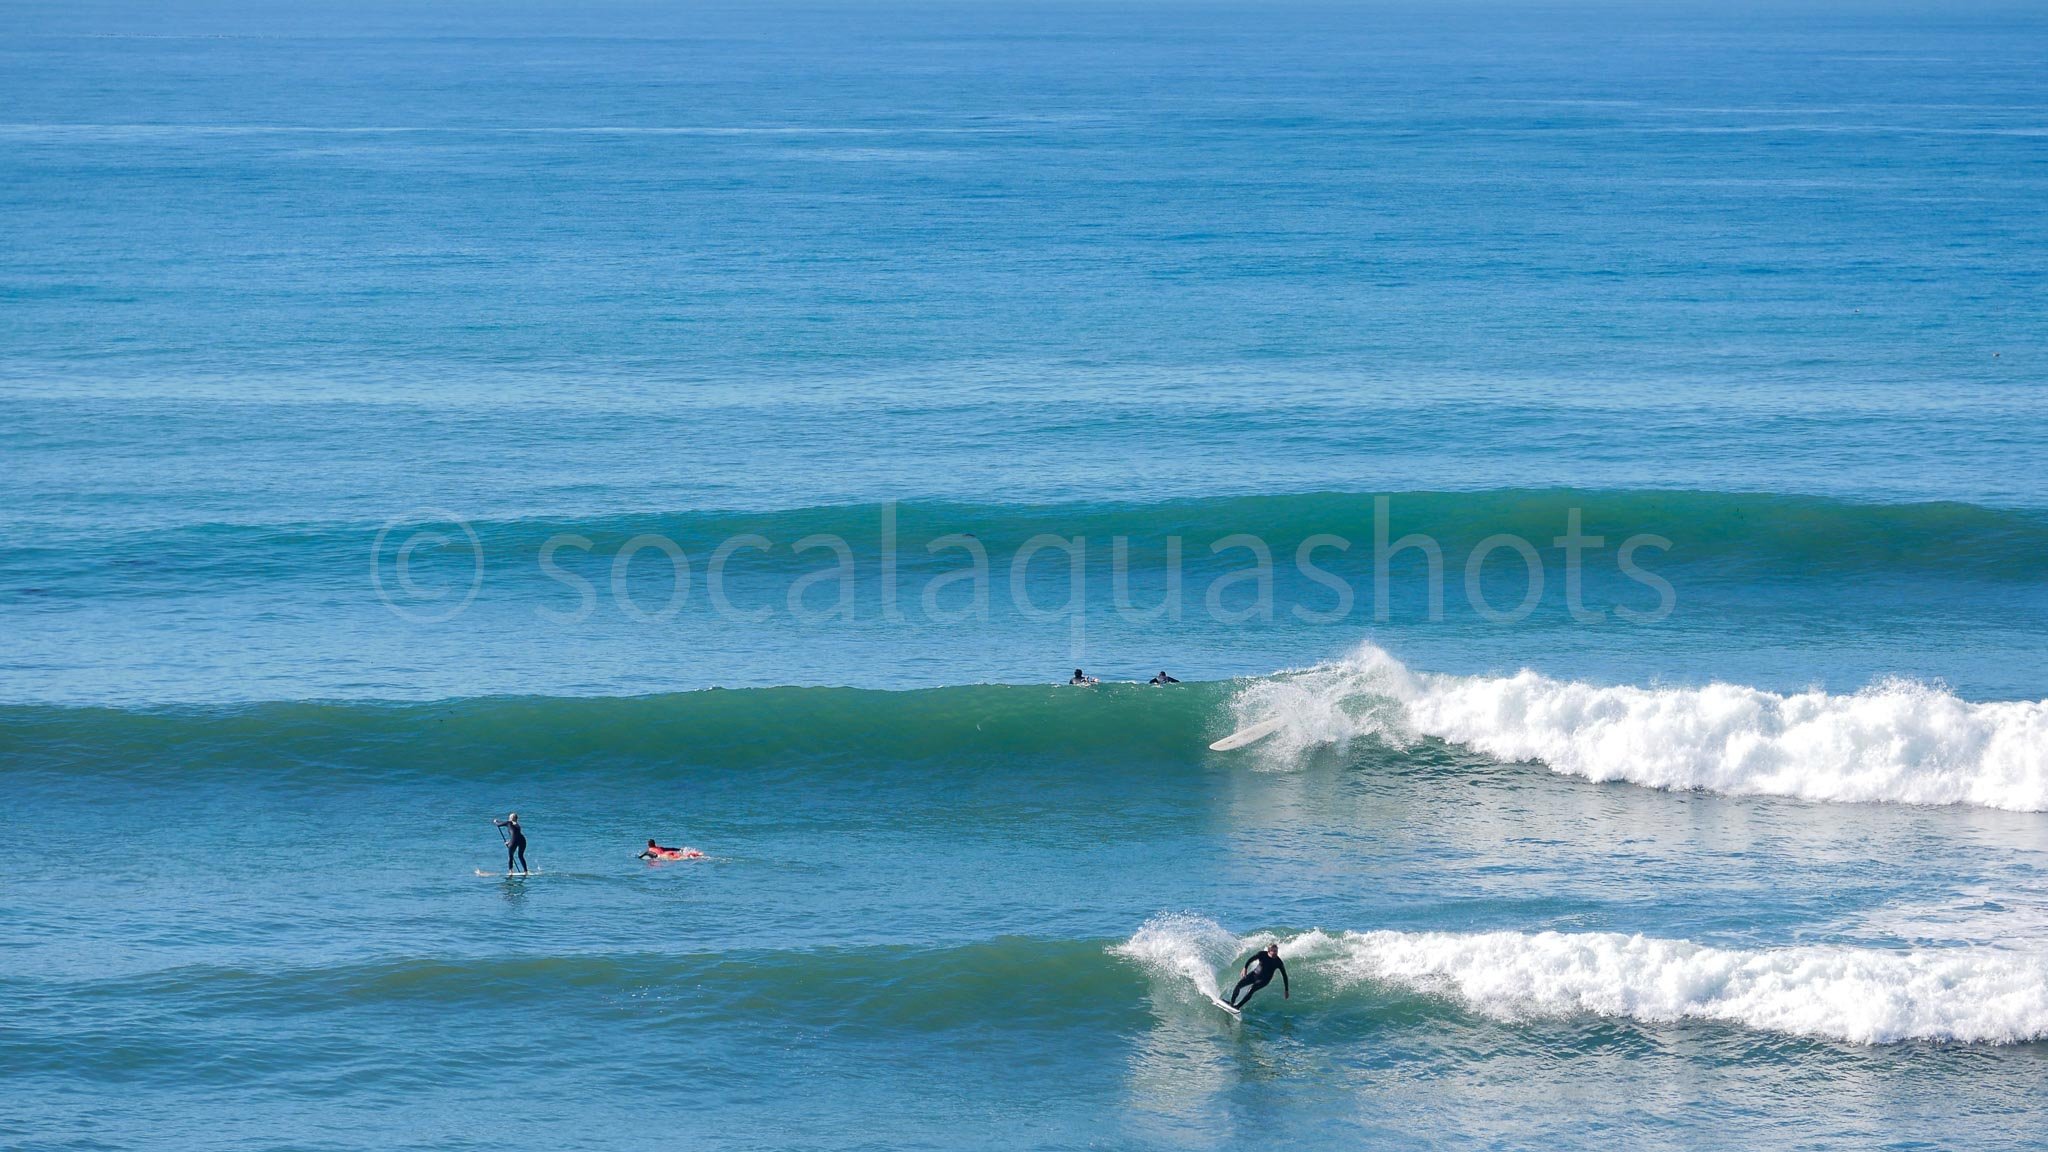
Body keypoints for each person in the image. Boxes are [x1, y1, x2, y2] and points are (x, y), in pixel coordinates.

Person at [1227, 943, 1289, 1009]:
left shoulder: (1278, 962)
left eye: (1276, 951)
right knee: (1238, 985)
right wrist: (1245, 968)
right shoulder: (1262, 954)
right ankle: (1231, 1003)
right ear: (1269, 951)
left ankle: (1237, 1007)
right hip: (1254, 974)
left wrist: (1286, 990)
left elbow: (1284, 976)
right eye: (1273, 951)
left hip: (1264, 980)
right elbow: (1250, 959)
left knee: (1251, 990)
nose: (1275, 953)